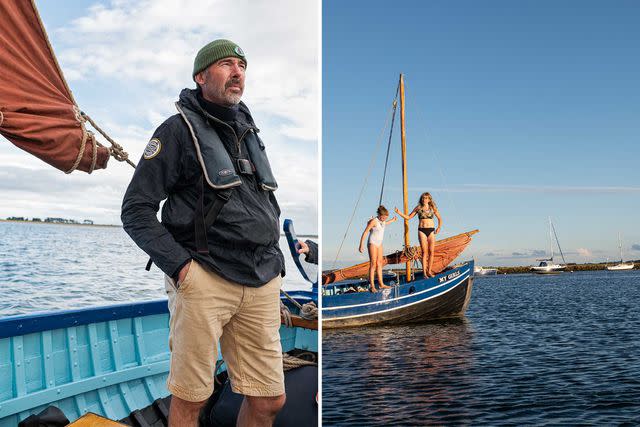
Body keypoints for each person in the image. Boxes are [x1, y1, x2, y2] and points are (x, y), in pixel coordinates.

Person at [121, 39, 286, 427]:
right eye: (227, 64)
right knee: (192, 398)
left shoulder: (248, 131)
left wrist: (277, 266)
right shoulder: (177, 131)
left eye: (242, 65)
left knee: (269, 399)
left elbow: (262, 205)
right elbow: (136, 210)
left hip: (261, 279)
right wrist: (181, 268)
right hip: (204, 276)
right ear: (201, 76)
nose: (237, 71)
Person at [395, 192, 442, 278]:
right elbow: (408, 217)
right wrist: (399, 213)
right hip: (422, 231)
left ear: (429, 199)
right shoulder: (418, 208)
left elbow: (439, 218)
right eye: (423, 198)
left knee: (431, 252)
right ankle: (424, 273)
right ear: (421, 199)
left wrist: (439, 227)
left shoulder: (432, 208)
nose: (425, 199)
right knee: (424, 252)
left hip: (431, 230)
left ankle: (429, 271)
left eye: (427, 198)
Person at [358, 206, 397, 292]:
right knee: (373, 264)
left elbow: (385, 223)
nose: (384, 219)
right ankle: (372, 286)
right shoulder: (374, 221)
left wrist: (392, 220)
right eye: (383, 217)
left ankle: (381, 284)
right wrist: (361, 244)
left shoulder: (382, 221)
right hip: (372, 243)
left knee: (380, 263)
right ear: (379, 215)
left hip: (379, 244)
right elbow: (365, 232)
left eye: (385, 218)